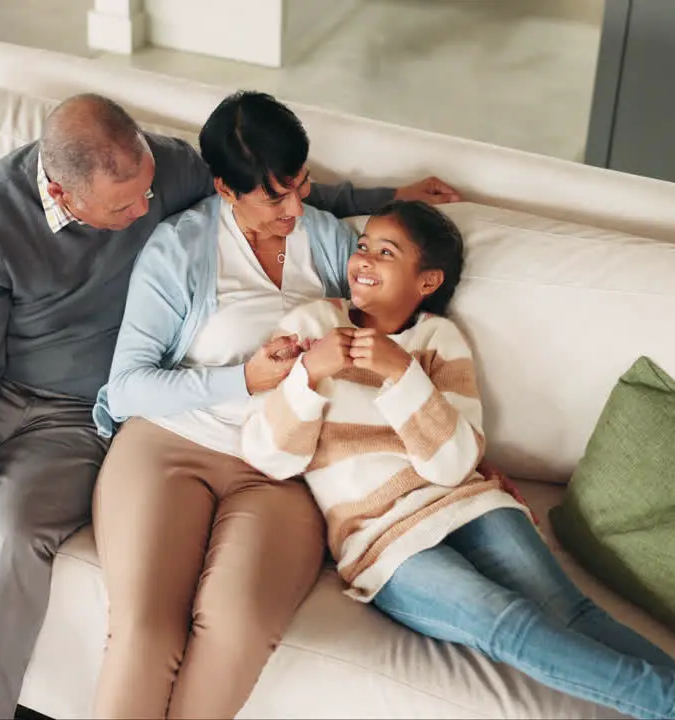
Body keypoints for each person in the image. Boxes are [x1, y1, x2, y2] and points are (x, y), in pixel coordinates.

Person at [0, 91, 458, 719]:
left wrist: (386, 201)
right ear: (60, 192)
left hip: (75, 418)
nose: (145, 216)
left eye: (146, 196)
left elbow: (271, 194)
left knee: (9, 542)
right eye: (121, 210)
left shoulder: (158, 173)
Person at [239, 200, 675, 720]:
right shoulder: (313, 325)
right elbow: (270, 455)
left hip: (466, 504)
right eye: (364, 246)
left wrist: (401, 374)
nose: (363, 260)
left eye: (387, 252)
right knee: (506, 623)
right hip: (382, 538)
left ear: (427, 281)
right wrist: (308, 375)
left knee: (573, 613)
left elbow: (452, 464)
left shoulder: (439, 339)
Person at [89, 90, 461, 719]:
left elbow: (401, 334)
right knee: (147, 630)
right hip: (169, 445)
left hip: (287, 467)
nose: (296, 207)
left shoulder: (330, 242)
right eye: (275, 196)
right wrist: (246, 380)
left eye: (302, 186)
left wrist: (467, 451)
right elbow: (127, 386)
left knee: (235, 627)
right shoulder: (178, 249)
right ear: (225, 189)